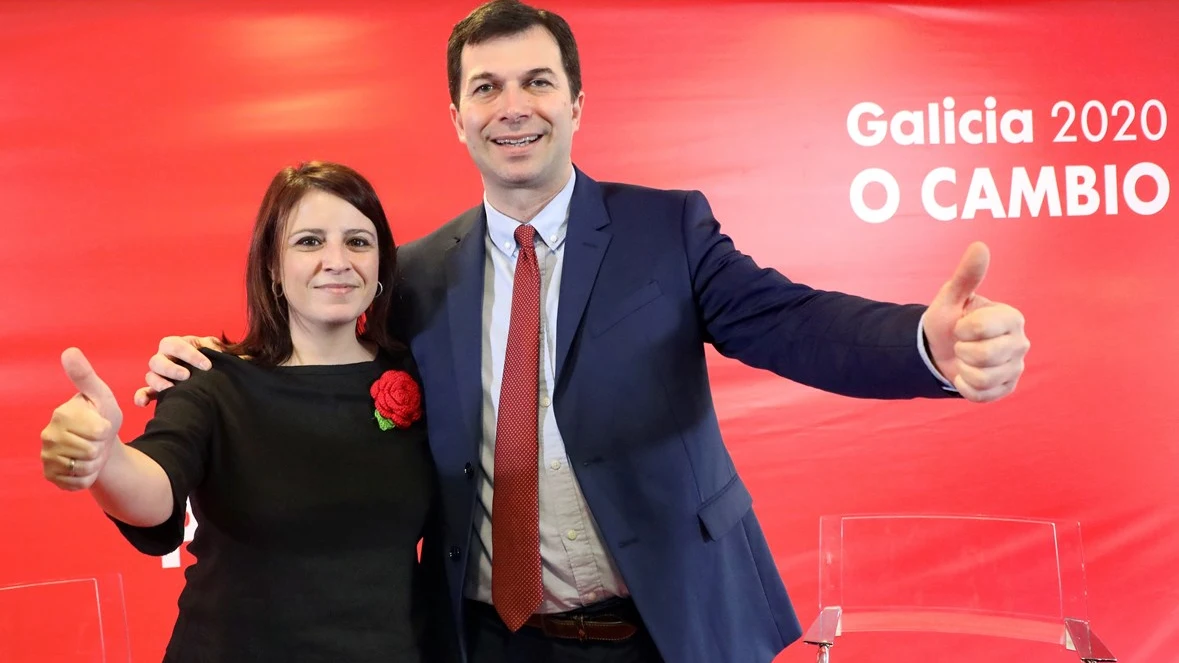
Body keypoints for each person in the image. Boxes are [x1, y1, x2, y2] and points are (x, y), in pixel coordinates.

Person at [131, 2, 1031, 662]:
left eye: (535, 81)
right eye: (485, 87)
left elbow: (785, 319)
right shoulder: (414, 271)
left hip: (665, 626)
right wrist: (212, 365)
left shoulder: (667, 229)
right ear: (456, 118)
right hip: (485, 638)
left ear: (576, 102)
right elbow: (320, 365)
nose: (511, 105)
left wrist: (922, 343)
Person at [38, 161, 450, 663]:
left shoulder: (426, 373)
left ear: (383, 263)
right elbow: (156, 491)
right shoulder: (211, 377)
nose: (338, 260)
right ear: (273, 266)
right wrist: (103, 459)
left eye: (359, 242)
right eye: (310, 242)